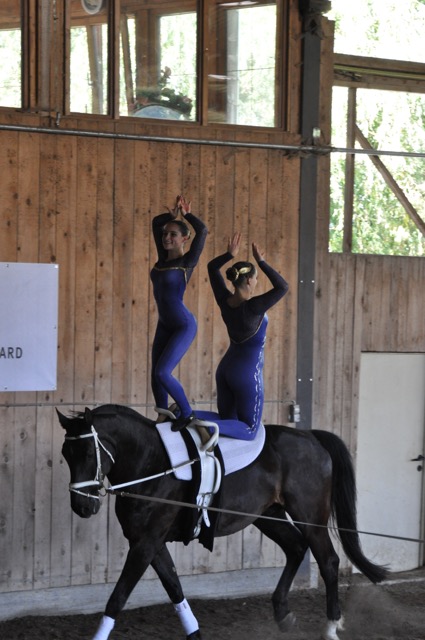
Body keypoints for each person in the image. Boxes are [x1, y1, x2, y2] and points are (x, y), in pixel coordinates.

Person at [195, 233, 289, 440]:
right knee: (249, 430)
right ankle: (208, 428)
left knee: (227, 421)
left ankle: (185, 414)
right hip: (246, 375)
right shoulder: (254, 307)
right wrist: (261, 261)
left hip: (226, 370)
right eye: (256, 277)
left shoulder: (225, 301)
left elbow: (212, 267)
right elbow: (283, 287)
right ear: (248, 280)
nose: (256, 281)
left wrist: (228, 255)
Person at [150, 195, 208, 431]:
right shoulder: (162, 258)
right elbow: (156, 223)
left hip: (183, 325)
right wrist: (171, 217)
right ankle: (163, 414)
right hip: (165, 323)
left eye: (173, 234)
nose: (166, 238)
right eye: (166, 234)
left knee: (163, 372)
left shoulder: (187, 261)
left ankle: (187, 413)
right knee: (155, 374)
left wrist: (187, 215)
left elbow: (202, 231)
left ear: (184, 238)